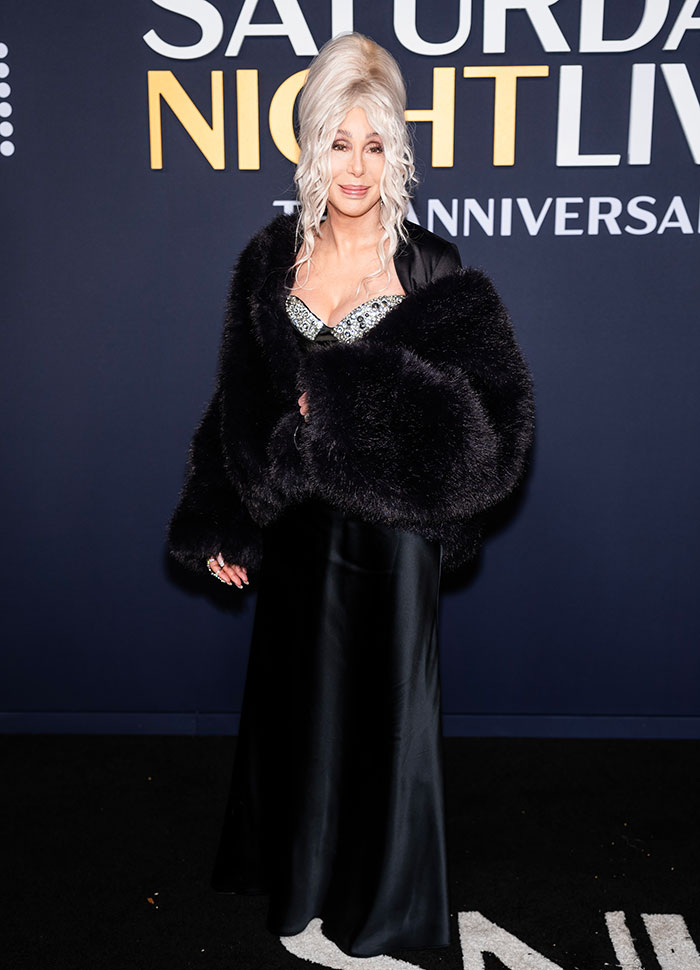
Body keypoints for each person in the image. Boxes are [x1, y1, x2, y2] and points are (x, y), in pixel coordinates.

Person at [166, 31, 535, 959]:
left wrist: (339, 398)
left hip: (394, 540)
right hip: (295, 532)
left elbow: (494, 436)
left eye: (376, 146)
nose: (357, 167)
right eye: (339, 141)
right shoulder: (269, 259)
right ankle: (306, 882)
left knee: (387, 723)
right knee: (305, 714)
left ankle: (388, 913)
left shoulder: (432, 268)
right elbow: (238, 398)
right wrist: (223, 513)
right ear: (311, 144)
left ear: (398, 152)